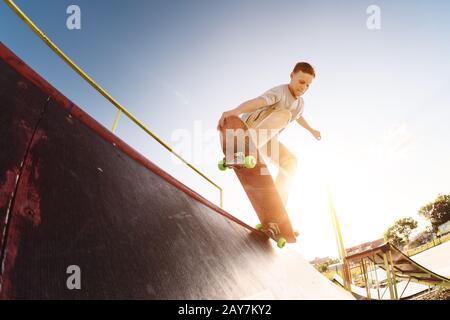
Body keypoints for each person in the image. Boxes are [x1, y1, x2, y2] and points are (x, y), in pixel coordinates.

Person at [217, 62, 321, 206]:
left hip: (266, 138)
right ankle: (244, 151)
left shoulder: (300, 104)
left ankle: (276, 206)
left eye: (308, 85)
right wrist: (236, 111)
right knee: (285, 115)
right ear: (291, 76)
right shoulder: (280, 91)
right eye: (301, 81)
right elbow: (259, 102)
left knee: (290, 162)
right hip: (250, 128)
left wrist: (311, 130)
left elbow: (299, 117)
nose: (303, 87)